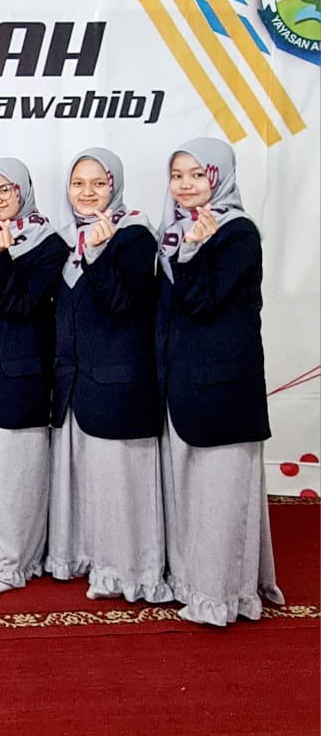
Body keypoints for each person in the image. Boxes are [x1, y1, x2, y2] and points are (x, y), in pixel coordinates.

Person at [156, 138, 283, 625]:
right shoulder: (173, 234)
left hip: (224, 388)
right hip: (183, 385)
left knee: (222, 498)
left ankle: (222, 597)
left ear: (220, 177)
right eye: (178, 175)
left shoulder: (237, 233)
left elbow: (202, 302)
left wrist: (194, 252)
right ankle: (194, 585)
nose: (186, 185)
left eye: (198, 174)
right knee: (190, 496)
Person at [46, 148, 170, 603]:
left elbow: (120, 300)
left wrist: (98, 252)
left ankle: (128, 572)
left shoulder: (134, 233)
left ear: (114, 186)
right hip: (76, 384)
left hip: (119, 383)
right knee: (88, 483)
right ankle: (86, 558)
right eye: (78, 183)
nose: (87, 192)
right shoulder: (66, 240)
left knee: (120, 486)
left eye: (98, 183)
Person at [0, 157, 67, 600]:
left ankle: (13, 566)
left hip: (23, 379)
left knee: (18, 480)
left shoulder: (49, 244)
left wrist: (1, 259)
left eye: (4, 190)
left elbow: (21, 305)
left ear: (23, 190)